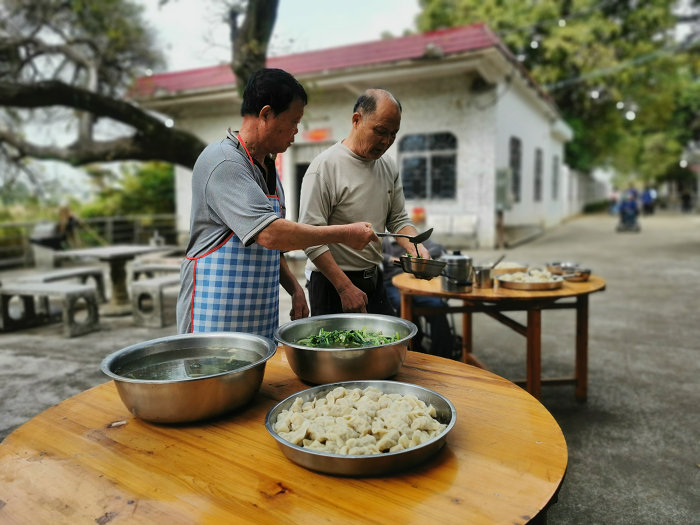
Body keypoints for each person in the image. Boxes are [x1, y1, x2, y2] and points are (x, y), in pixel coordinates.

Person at [176, 68, 378, 339]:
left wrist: (294, 287)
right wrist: (345, 233)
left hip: (257, 313)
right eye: (294, 121)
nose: (296, 131)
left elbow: (271, 249)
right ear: (266, 114)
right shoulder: (224, 161)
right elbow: (271, 234)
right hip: (213, 314)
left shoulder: (267, 167)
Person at [297, 88, 430, 316]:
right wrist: (344, 287)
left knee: (385, 345)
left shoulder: (387, 166)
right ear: (356, 120)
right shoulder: (324, 167)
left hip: (372, 277)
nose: (386, 141)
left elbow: (397, 219)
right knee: (337, 350)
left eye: (393, 134)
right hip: (331, 282)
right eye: (380, 131)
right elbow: (310, 238)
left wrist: (416, 247)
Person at [382, 237, 458, 359]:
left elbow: (438, 248)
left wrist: (420, 256)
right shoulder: (385, 241)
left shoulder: (412, 239)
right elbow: (375, 254)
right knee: (403, 305)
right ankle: (415, 351)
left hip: (419, 282)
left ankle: (442, 356)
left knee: (437, 306)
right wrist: (392, 259)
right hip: (393, 284)